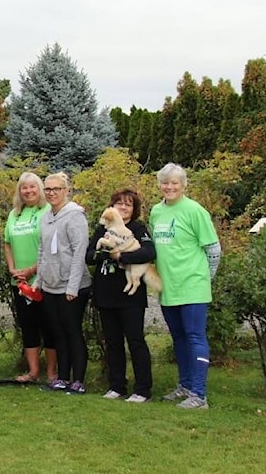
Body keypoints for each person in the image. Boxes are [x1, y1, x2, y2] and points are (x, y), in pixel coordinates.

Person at [150, 163, 220, 409]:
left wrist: (204, 279)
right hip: (168, 287)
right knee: (179, 338)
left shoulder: (194, 211)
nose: (169, 187)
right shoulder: (156, 211)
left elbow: (213, 250)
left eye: (174, 183)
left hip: (192, 286)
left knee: (195, 337)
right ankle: (186, 385)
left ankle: (199, 395)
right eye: (165, 183)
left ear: (183, 185)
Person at [86, 189, 156, 403]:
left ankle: (143, 389)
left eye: (128, 204)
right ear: (112, 207)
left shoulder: (137, 228)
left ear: (134, 209)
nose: (123, 207)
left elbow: (149, 252)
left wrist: (122, 256)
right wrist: (106, 253)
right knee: (113, 342)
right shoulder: (103, 228)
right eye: (119, 203)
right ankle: (117, 385)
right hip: (106, 293)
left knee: (135, 341)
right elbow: (90, 256)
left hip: (130, 296)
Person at [36, 173, 92, 394]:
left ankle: (78, 379)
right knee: (58, 333)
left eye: (56, 189)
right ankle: (62, 377)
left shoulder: (75, 216)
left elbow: (80, 252)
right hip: (50, 285)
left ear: (66, 190)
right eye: (48, 189)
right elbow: (42, 251)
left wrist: (72, 287)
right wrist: (39, 280)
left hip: (72, 286)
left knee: (72, 331)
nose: (51, 193)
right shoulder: (46, 217)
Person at [4, 172, 57, 384]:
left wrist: (33, 269)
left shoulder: (48, 211)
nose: (28, 191)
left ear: (40, 189)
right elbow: (7, 243)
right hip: (20, 282)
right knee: (28, 326)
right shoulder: (14, 214)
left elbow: (52, 247)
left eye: (32, 187)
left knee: (49, 326)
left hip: (43, 280)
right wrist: (12, 269)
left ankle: (52, 373)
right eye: (24, 188)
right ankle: (33, 372)